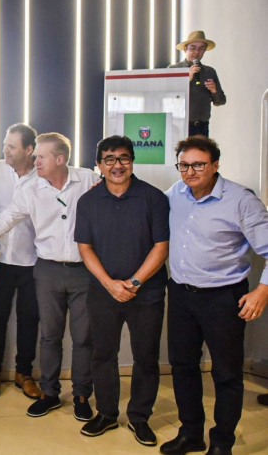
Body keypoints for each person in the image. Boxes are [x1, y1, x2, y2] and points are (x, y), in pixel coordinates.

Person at [0, 132, 99, 422]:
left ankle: (81, 395)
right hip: (43, 267)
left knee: (82, 338)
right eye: (35, 156)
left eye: (40, 157)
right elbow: (1, 221)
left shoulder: (88, 180)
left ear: (59, 159)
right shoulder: (31, 189)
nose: (35, 161)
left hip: (80, 270)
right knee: (49, 336)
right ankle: (50, 394)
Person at [161, 136, 268, 455]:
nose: (190, 171)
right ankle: (190, 433)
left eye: (198, 164)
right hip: (181, 294)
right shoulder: (174, 194)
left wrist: (262, 290)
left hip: (224, 298)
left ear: (215, 165)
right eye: (183, 165)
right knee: (182, 367)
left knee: (226, 373)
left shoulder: (241, 200)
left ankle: (222, 442)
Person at [74, 136, 169, 446]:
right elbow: (85, 247)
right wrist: (109, 284)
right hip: (103, 292)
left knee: (146, 357)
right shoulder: (87, 201)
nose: (117, 165)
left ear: (132, 161)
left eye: (124, 158)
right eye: (110, 159)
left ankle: (140, 417)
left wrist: (135, 283)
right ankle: (107, 414)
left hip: (147, 292)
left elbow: (161, 246)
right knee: (103, 354)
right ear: (99, 164)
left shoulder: (153, 198)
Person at [0, 123, 41, 400]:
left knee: (30, 319)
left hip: (34, 262)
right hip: (0, 260)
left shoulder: (44, 174)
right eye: (5, 144)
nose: (5, 150)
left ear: (29, 150)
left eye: (11, 146)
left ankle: (24, 373)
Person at [168, 31, 226, 137]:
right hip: (180, 125)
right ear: (185, 49)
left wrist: (214, 91)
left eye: (201, 48)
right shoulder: (174, 70)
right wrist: (186, 79)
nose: (197, 52)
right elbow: (167, 97)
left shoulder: (209, 72)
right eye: (193, 48)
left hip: (202, 126)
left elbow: (221, 101)